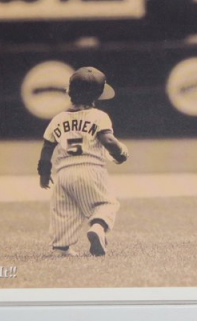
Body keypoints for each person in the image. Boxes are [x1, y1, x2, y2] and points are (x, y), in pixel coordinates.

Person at [36, 66, 129, 256]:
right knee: (106, 204)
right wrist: (120, 153)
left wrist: (44, 174)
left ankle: (62, 247)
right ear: (98, 95)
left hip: (64, 173)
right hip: (91, 169)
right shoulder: (99, 116)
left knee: (64, 210)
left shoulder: (58, 119)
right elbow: (108, 140)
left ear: (69, 91)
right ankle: (98, 228)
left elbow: (47, 148)